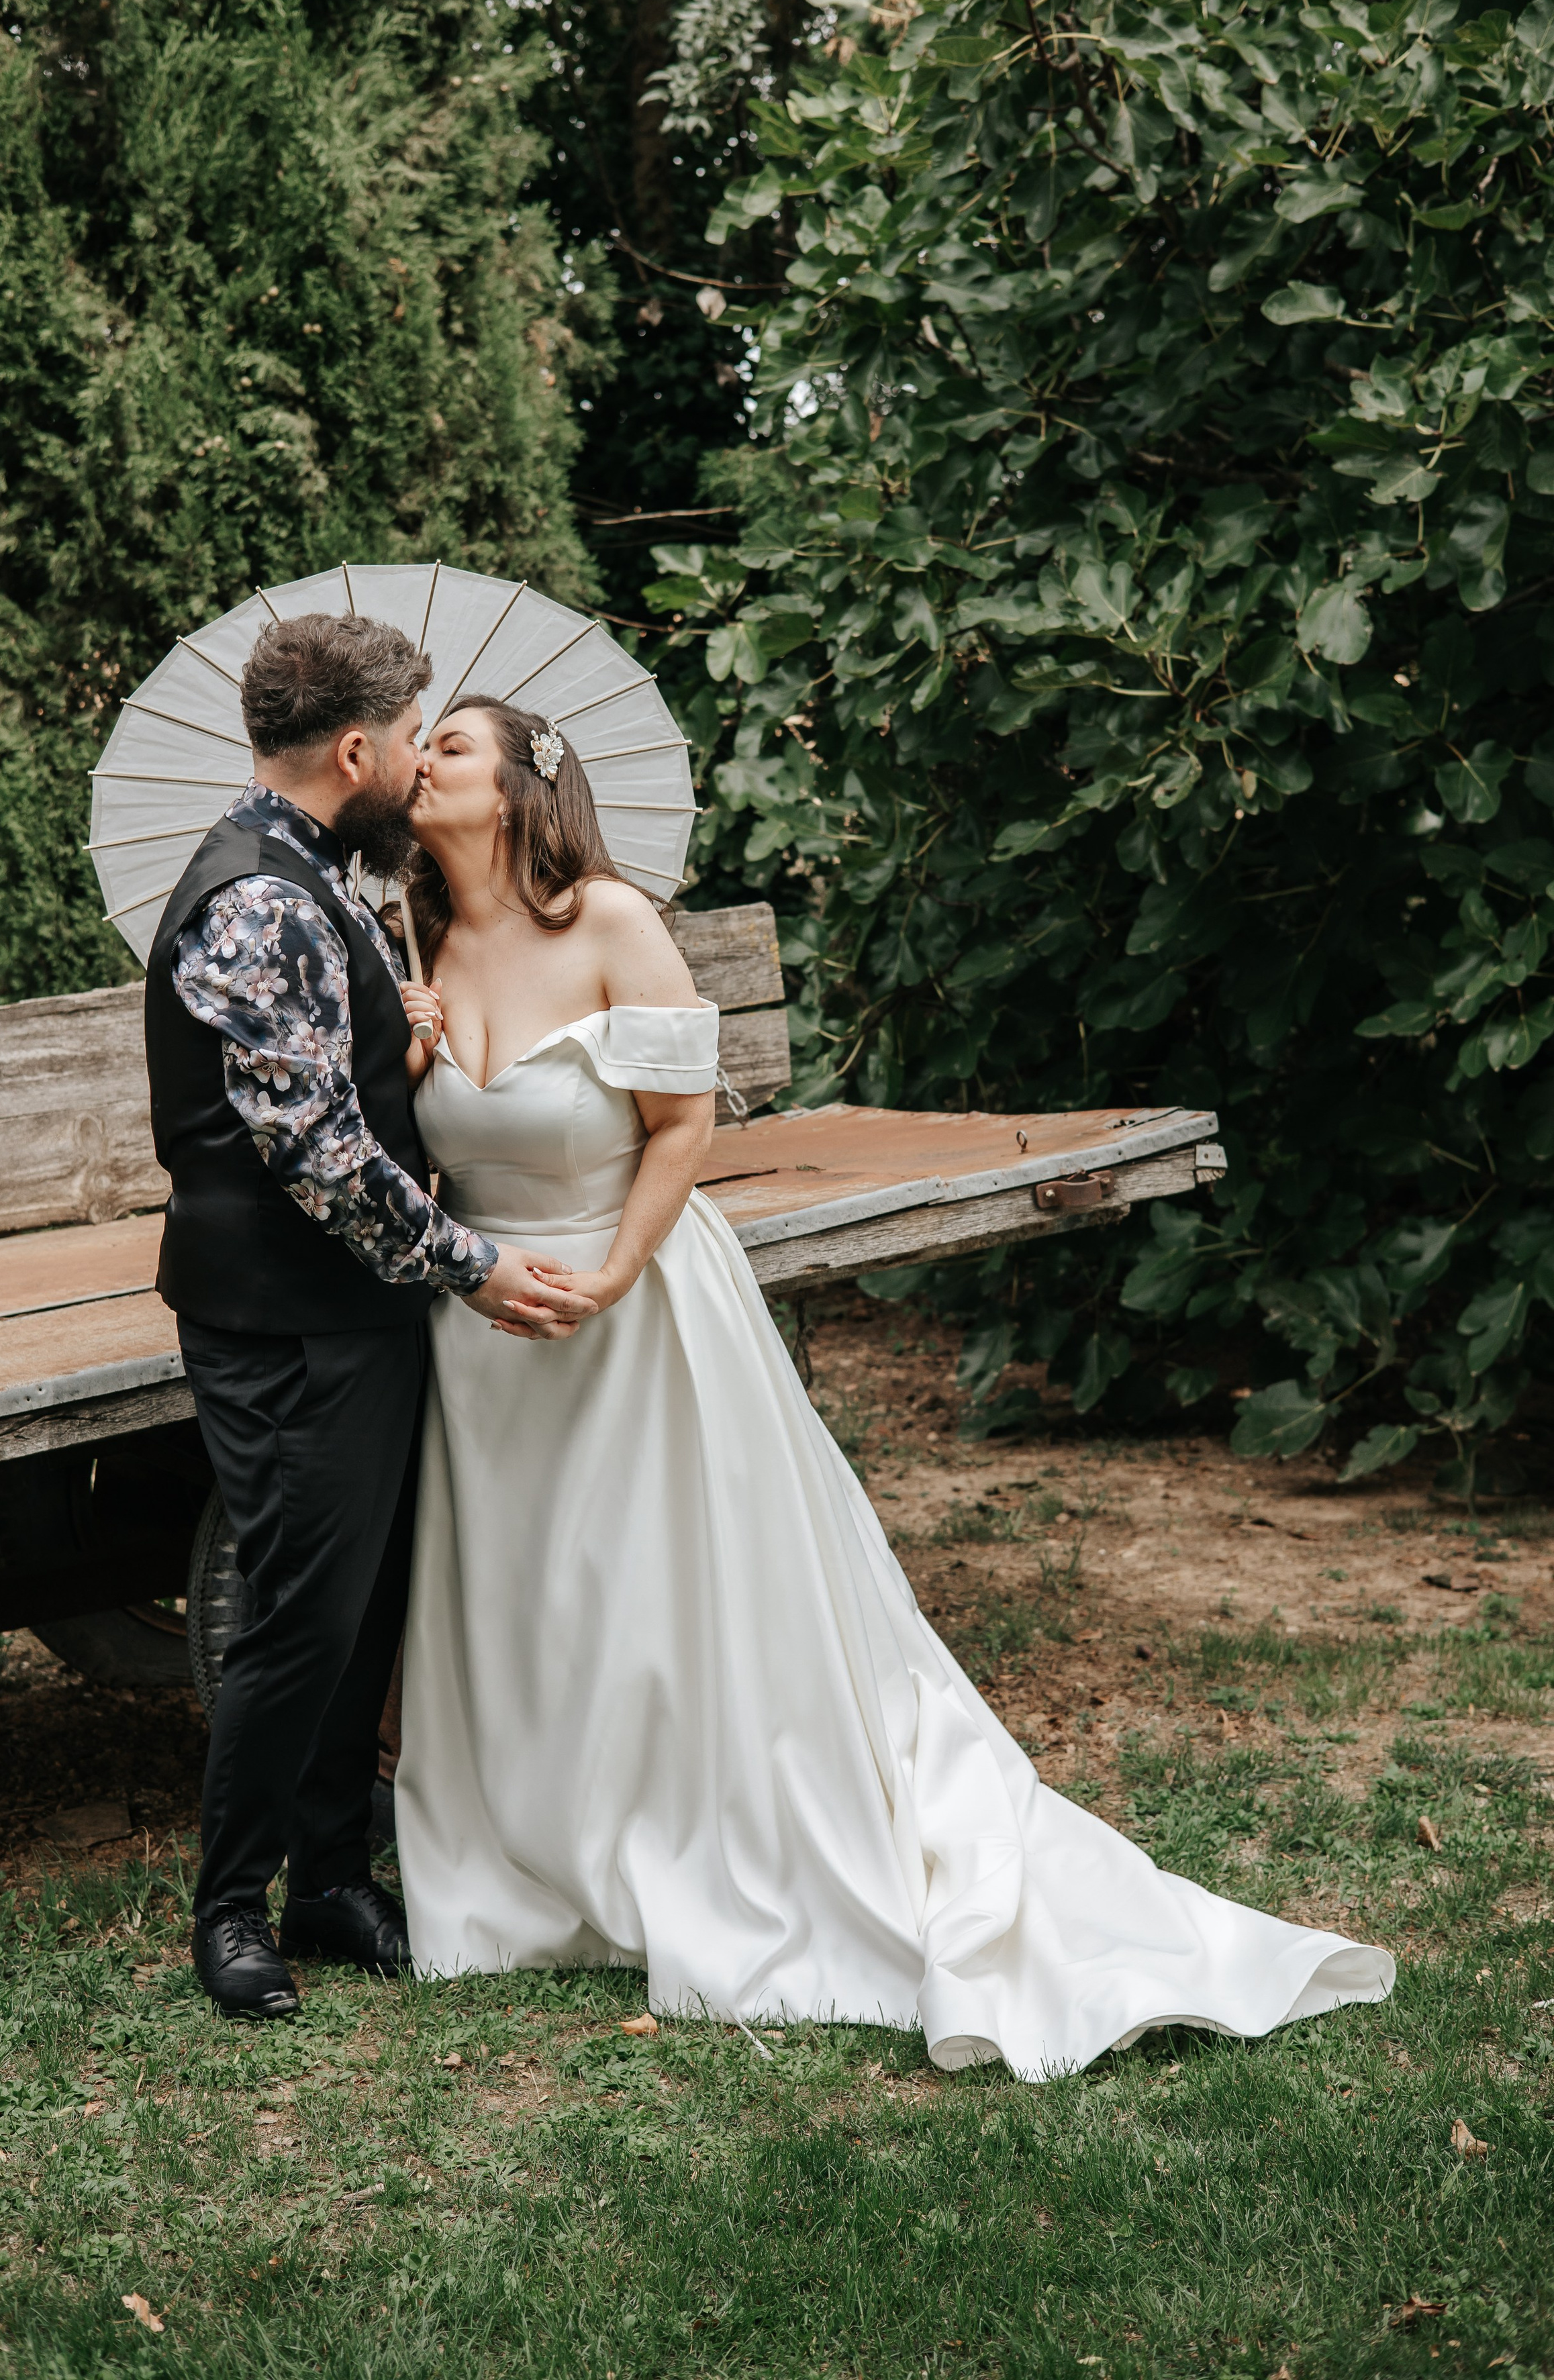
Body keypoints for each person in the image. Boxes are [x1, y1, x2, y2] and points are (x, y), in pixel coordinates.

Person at [390, 695, 1396, 2079]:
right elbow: (415, 1160)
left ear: (513, 791)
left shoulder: (610, 922)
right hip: (485, 1327)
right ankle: (545, 1863)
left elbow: (681, 1128)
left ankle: (718, 1842)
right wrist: (405, 1059)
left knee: (667, 1595)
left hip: (639, 1306)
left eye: (448, 744)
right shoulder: (414, 948)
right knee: (531, 1602)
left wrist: (616, 1274)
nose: (417, 760)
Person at [143, 616, 591, 2022]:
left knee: (367, 1600)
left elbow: (330, 1093)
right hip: (283, 1320)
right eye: (410, 737)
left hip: (356, 1310)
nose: (415, 759)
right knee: (296, 1612)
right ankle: (231, 1913)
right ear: (358, 749)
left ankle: (334, 1880)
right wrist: (471, 1266)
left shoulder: (320, 884)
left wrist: (389, 1039)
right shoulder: (260, 899)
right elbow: (314, 1156)